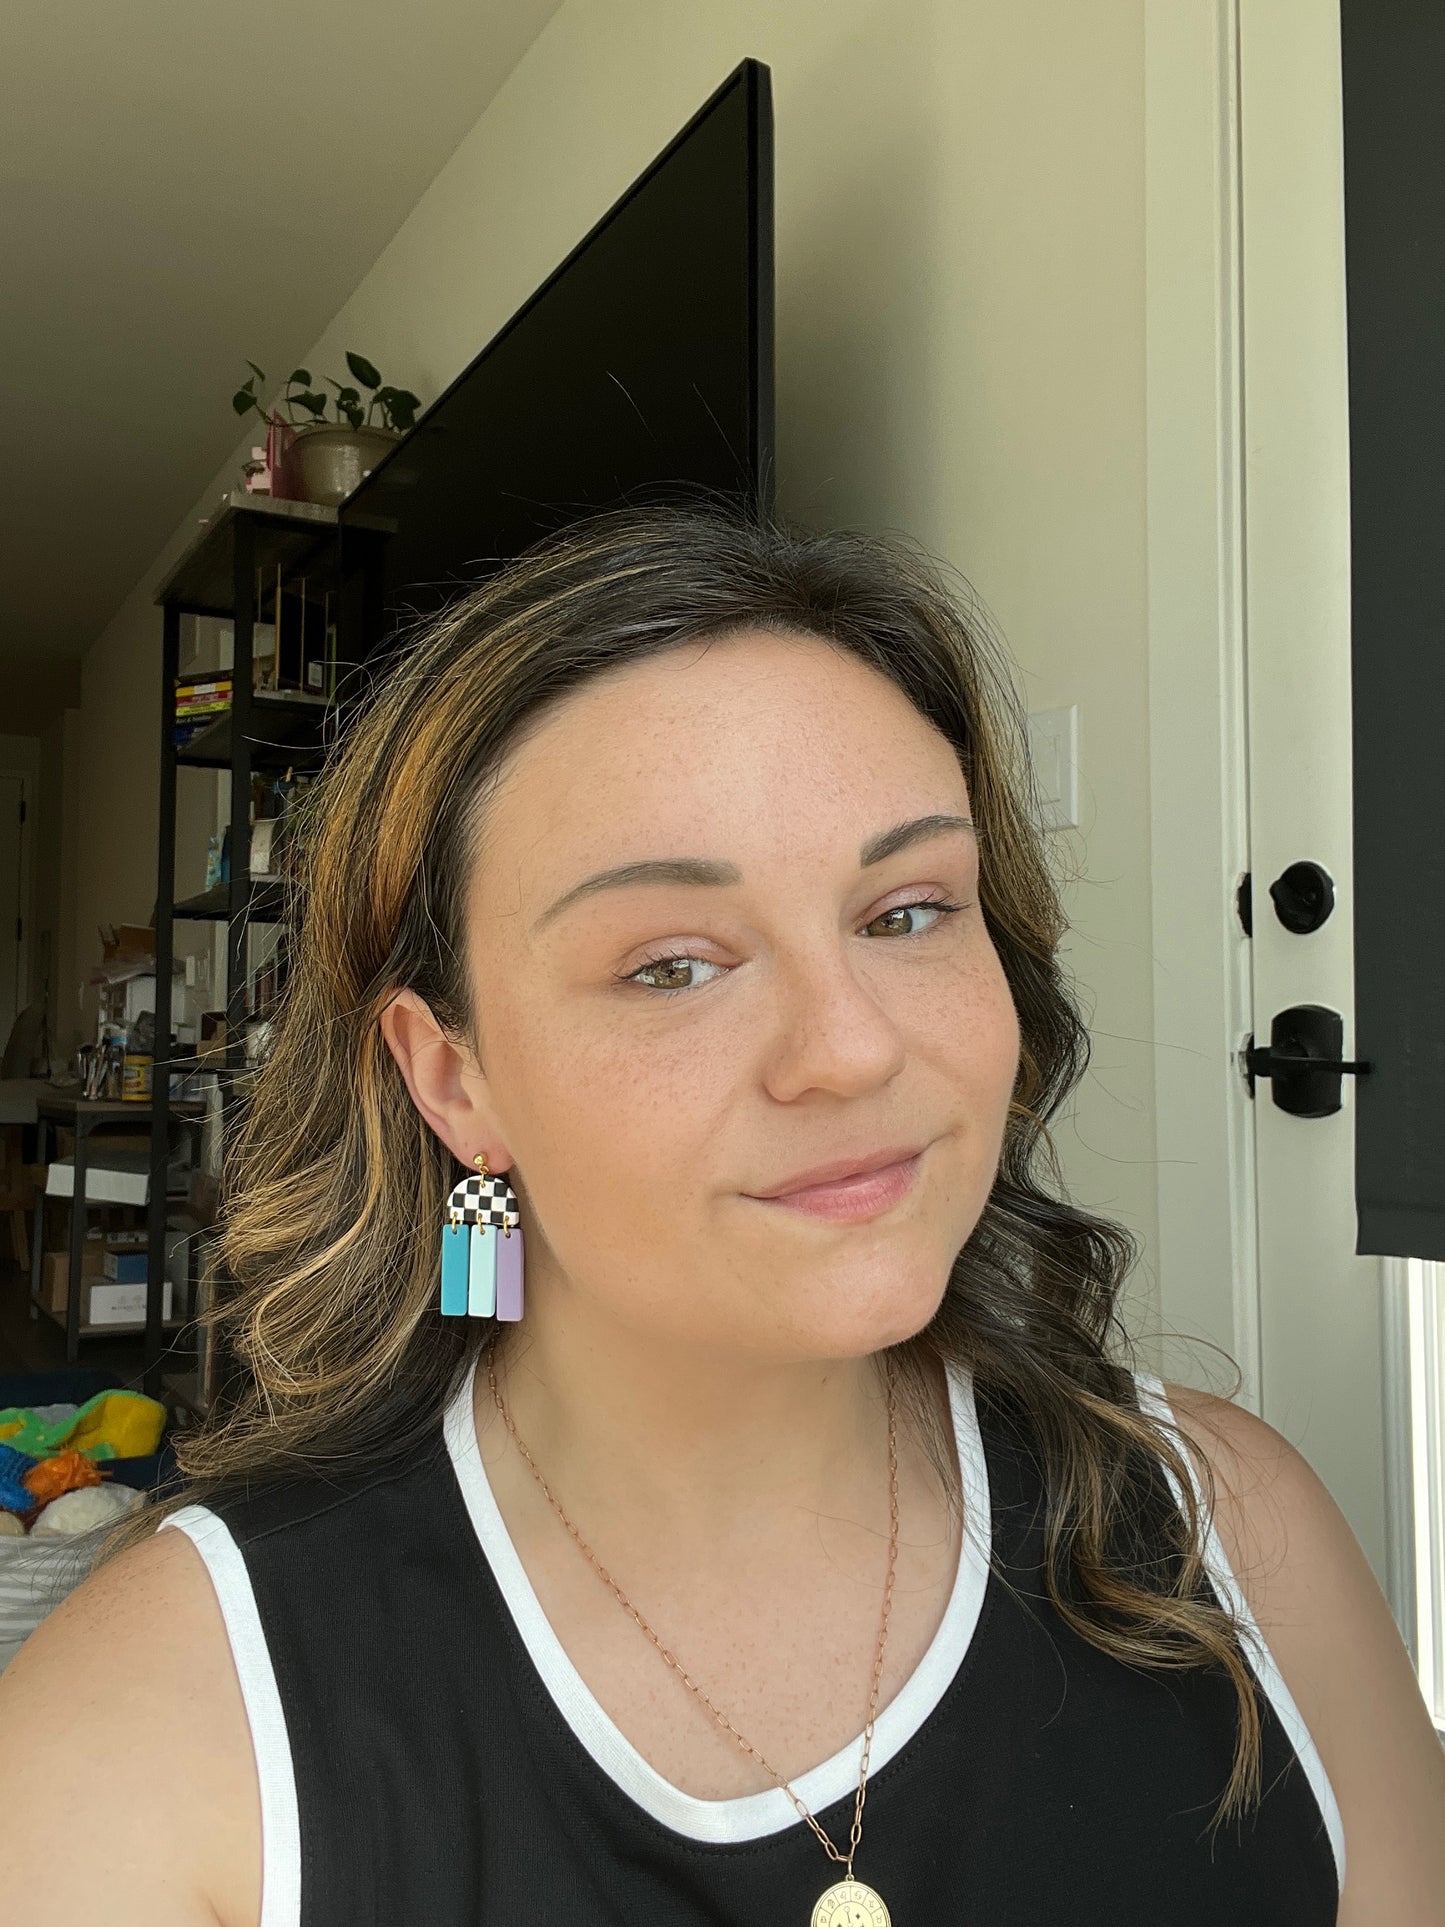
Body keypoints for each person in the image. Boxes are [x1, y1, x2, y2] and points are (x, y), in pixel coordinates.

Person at [1, 506, 1441, 1926]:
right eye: (673, 967)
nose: (851, 1049)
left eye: (906, 913)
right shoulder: (159, 1733)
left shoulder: (1227, 1532)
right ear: (455, 1078)